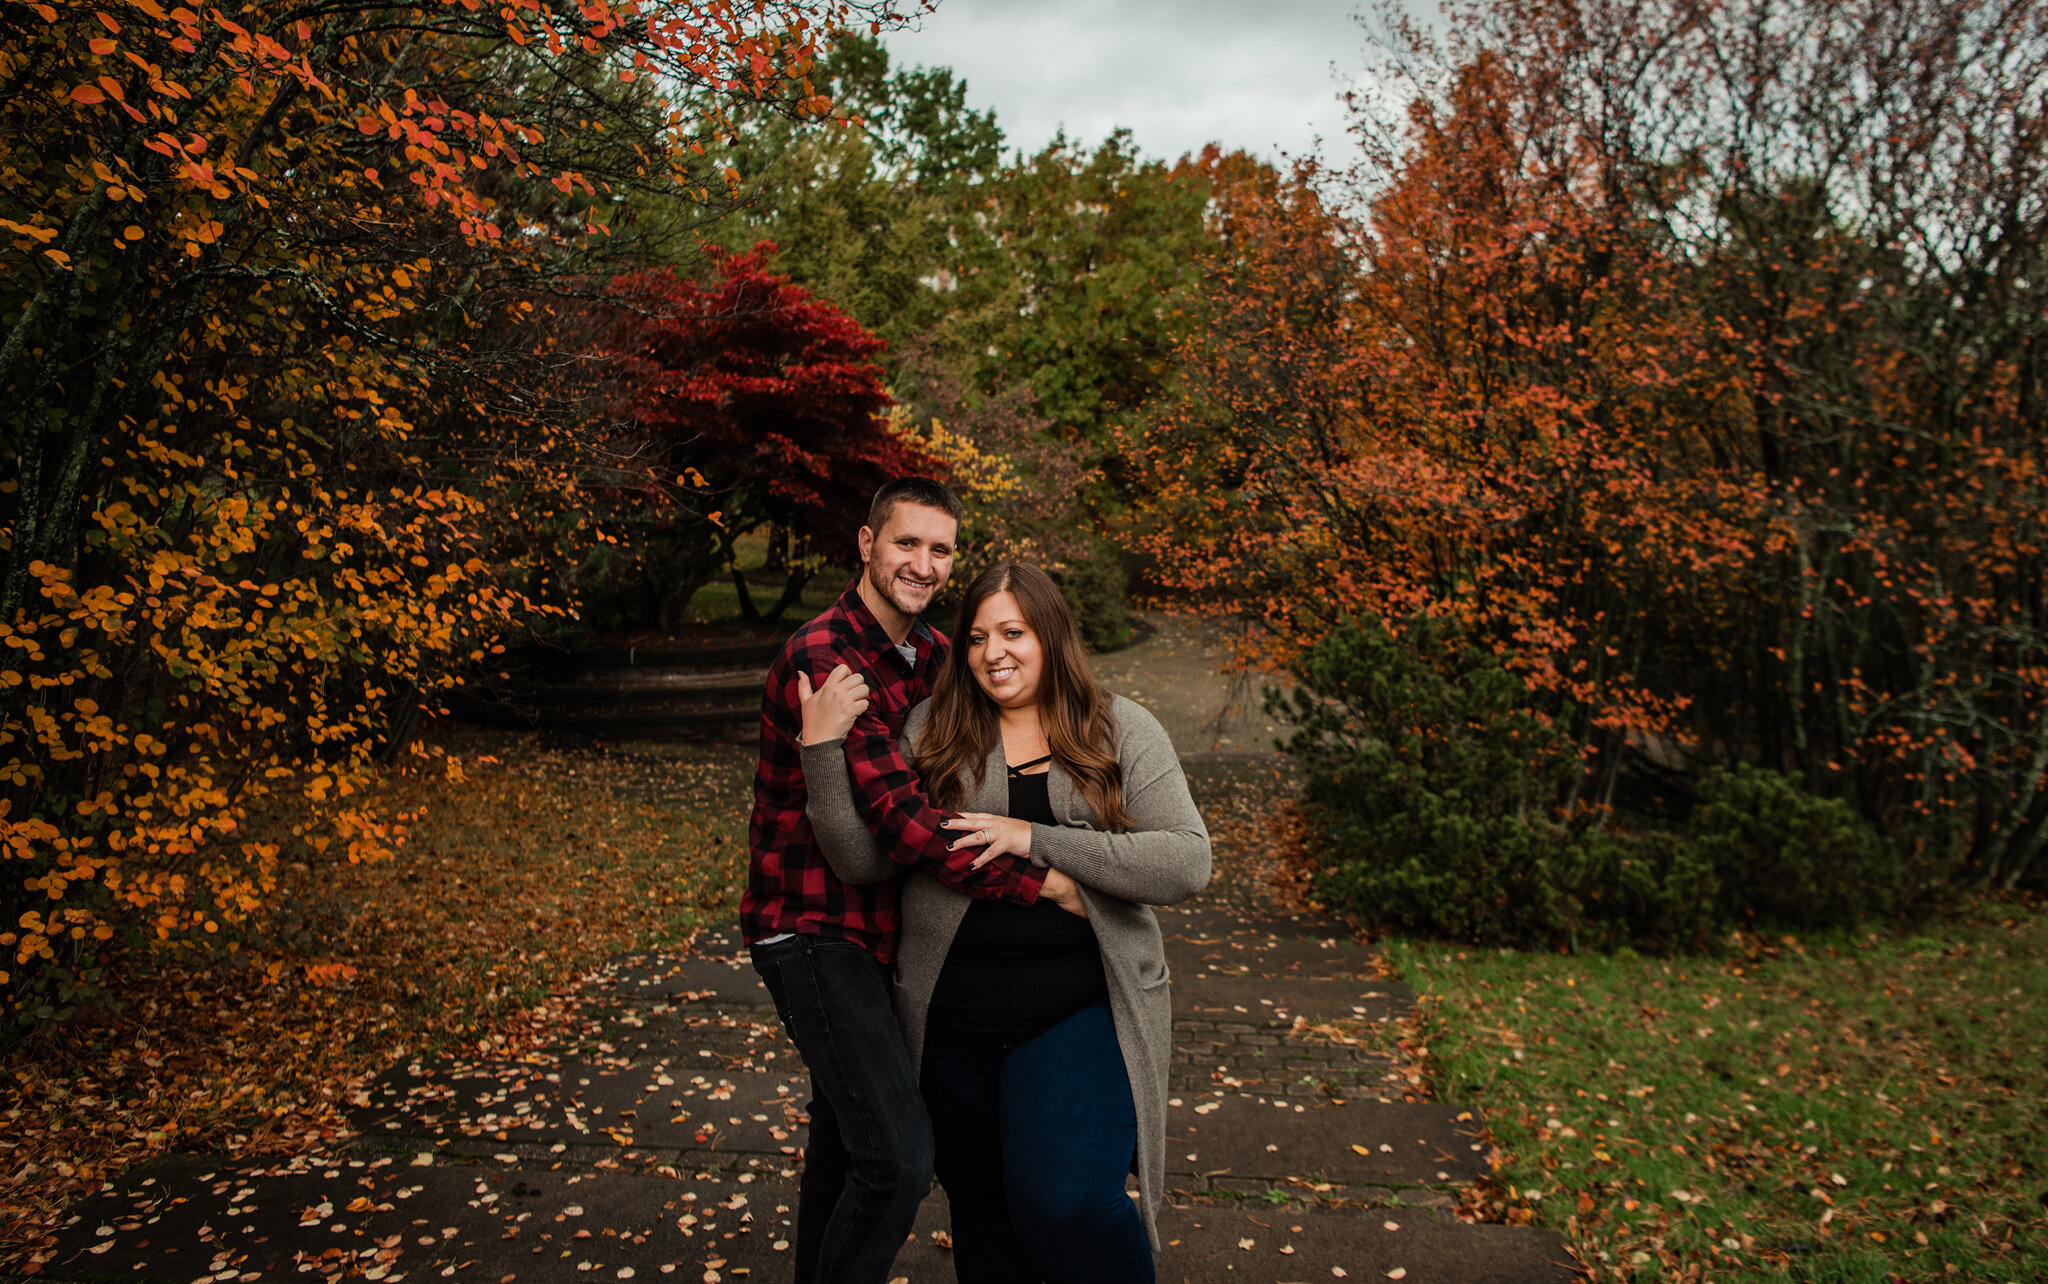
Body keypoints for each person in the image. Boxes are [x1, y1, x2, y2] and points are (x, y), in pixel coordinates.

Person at [798, 562, 1212, 1284]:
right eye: (979, 636)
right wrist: (821, 752)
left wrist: (1037, 841)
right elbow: (863, 860)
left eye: (1014, 632)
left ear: (1051, 636)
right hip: (952, 1022)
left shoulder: (1119, 728)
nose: (996, 652)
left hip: (1079, 1010)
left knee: (1069, 1202)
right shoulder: (933, 729)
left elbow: (1184, 862)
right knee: (985, 1213)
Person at [741, 480, 1091, 1284]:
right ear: (867, 545)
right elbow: (899, 825)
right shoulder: (825, 655)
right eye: (906, 543)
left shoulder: (935, 656)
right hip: (813, 929)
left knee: (842, 1148)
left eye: (940, 549)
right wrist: (1040, 883)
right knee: (897, 1159)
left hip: (882, 933)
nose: (923, 564)